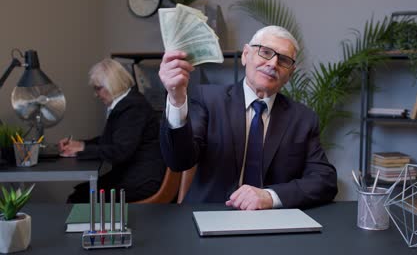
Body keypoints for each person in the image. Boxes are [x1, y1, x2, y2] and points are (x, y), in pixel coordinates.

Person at [158, 25, 338, 210]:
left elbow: (324, 180)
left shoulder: (302, 118)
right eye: (265, 52)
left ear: (290, 74)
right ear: (245, 55)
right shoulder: (208, 99)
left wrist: (270, 196)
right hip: (211, 214)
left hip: (273, 221)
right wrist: (176, 98)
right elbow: (179, 161)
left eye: (283, 60)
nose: (272, 63)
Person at [59, 58, 165, 203]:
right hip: (135, 175)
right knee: (81, 192)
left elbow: (120, 151)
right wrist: (81, 144)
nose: (96, 94)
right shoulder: (129, 102)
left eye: (97, 88)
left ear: (112, 84)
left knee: (79, 197)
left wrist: (81, 151)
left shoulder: (132, 107)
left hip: (142, 181)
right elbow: (111, 140)